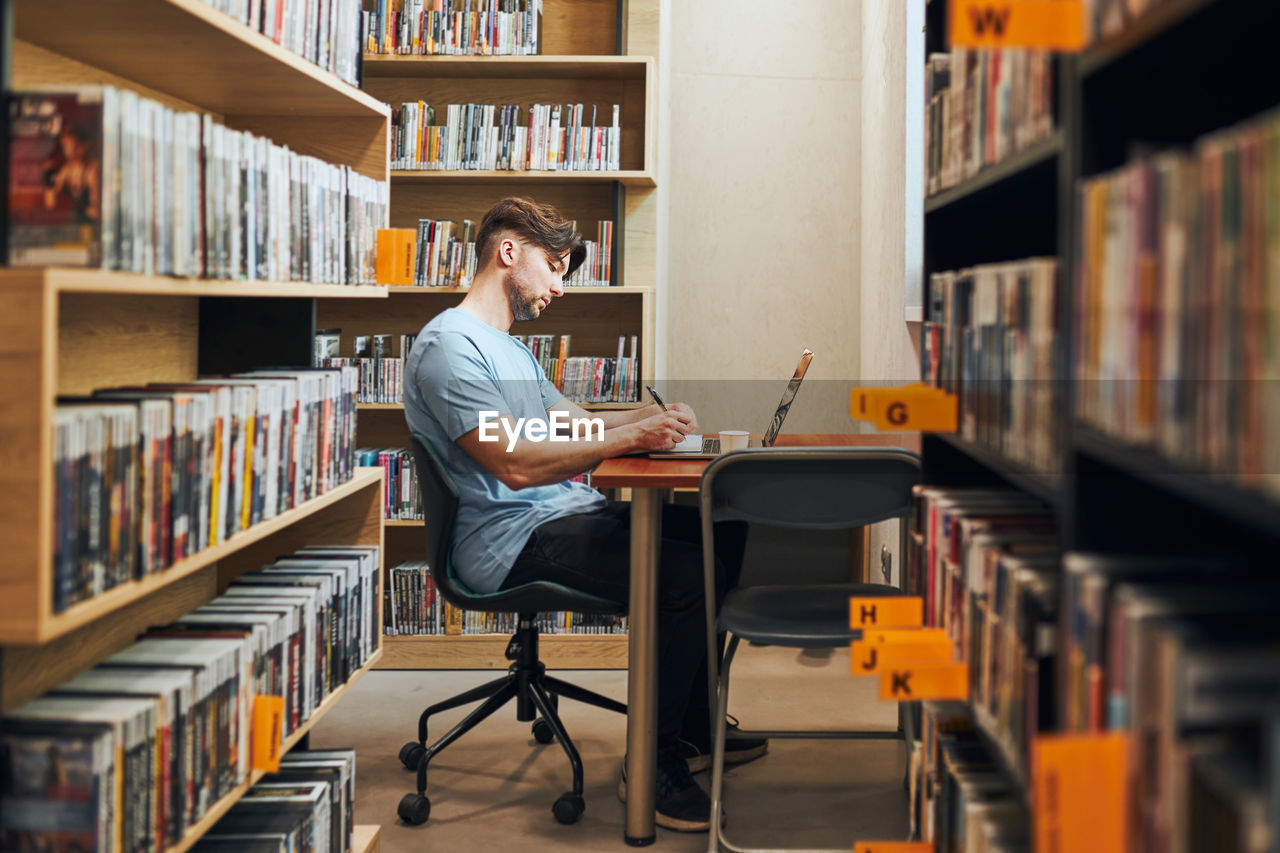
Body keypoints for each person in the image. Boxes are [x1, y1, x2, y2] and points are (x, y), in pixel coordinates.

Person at [404, 197, 765, 832]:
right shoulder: (449, 349)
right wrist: (630, 439)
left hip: (560, 516)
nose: (560, 287)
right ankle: (653, 768)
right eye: (555, 267)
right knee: (680, 578)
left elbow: (574, 422)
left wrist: (651, 423)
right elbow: (514, 465)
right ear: (508, 252)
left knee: (717, 532)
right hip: (510, 540)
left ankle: (688, 731)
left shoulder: (509, 349)